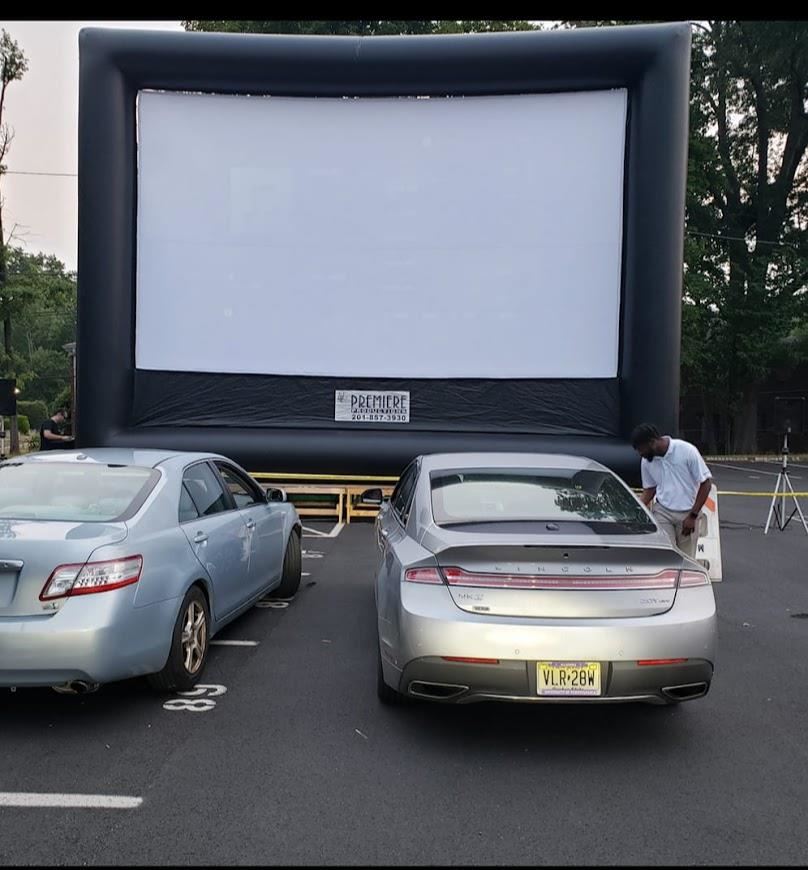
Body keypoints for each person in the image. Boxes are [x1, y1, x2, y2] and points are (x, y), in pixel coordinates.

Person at [631, 422, 712, 559]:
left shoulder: (686, 451)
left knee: (685, 559)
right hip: (662, 511)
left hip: (688, 512)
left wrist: (693, 516)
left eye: (641, 449)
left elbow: (706, 484)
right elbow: (649, 490)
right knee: (665, 555)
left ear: (652, 442)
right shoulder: (647, 461)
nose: (640, 453)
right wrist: (635, 511)